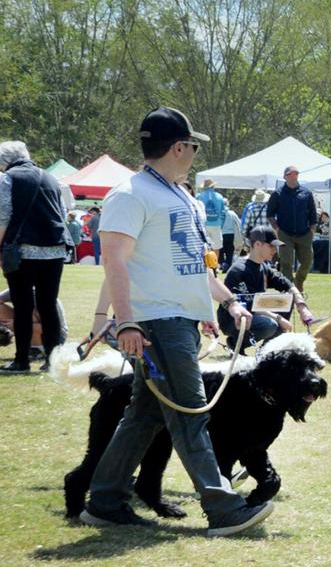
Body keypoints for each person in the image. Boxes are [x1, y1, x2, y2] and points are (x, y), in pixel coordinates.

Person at [81, 106, 273, 536]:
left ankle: (106, 500)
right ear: (179, 147)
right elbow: (114, 260)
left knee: (145, 414)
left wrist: (226, 304)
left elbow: (194, 266)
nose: (195, 152)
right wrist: (126, 322)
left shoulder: (177, 194)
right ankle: (224, 509)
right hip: (157, 321)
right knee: (189, 412)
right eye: (193, 145)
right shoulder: (131, 194)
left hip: (178, 319)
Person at [0, 140, 69, 373]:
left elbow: (2, 218)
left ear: (5, 161)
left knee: (22, 306)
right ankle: (52, 360)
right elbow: (63, 212)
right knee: (48, 304)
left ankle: (22, 360)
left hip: (22, 251)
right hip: (55, 250)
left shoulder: (8, 179)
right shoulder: (51, 178)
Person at [221, 226, 313, 354]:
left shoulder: (263, 266)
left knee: (287, 300)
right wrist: (279, 319)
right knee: (270, 325)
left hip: (254, 312)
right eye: (271, 246)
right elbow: (250, 306)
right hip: (234, 318)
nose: (275, 250)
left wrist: (302, 307)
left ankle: (266, 351)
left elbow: (288, 285)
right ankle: (236, 343)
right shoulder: (240, 270)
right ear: (258, 244)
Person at [267, 165, 318, 291]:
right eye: (291, 174)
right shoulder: (277, 194)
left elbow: (312, 211)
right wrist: (276, 228)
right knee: (286, 262)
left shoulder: (306, 193)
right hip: (285, 233)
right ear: (285, 177)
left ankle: (299, 281)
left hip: (304, 233)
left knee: (307, 261)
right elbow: (270, 214)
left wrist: (312, 227)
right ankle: (288, 287)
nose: (294, 176)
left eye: (296, 174)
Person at [196, 178, 227, 249]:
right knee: (216, 247)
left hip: (203, 224)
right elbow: (223, 213)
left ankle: (206, 260)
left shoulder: (199, 196)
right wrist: (221, 225)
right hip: (216, 224)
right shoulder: (219, 196)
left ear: (204, 187)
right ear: (213, 186)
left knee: (204, 247)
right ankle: (215, 260)